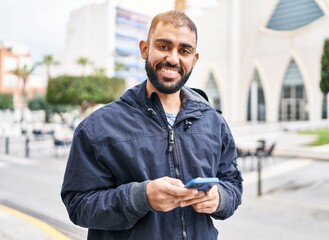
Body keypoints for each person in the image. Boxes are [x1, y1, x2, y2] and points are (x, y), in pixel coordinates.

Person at [61, 10, 243, 240]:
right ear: (145, 49)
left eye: (184, 51)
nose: (173, 59)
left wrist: (220, 198)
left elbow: (233, 183)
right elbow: (78, 205)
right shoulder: (97, 127)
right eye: (164, 46)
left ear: (194, 59)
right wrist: (141, 197)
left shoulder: (214, 122)